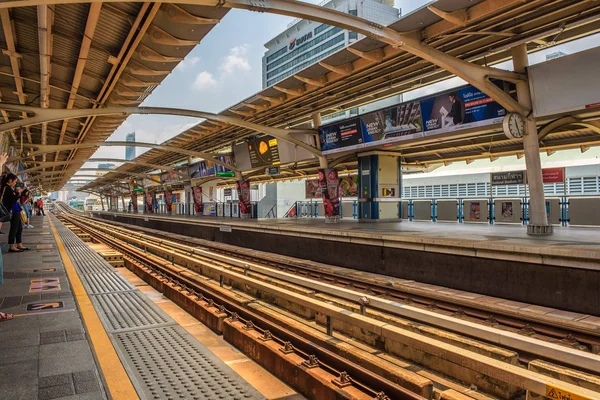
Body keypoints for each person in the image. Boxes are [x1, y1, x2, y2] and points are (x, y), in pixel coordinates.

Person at [2, 174, 29, 254]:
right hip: (13, 211)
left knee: (19, 228)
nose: (15, 183)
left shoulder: (9, 188)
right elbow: (13, 199)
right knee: (14, 228)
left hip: (16, 210)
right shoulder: (6, 188)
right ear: (10, 180)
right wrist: (17, 193)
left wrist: (16, 193)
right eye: (15, 181)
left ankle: (19, 244)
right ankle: (11, 246)